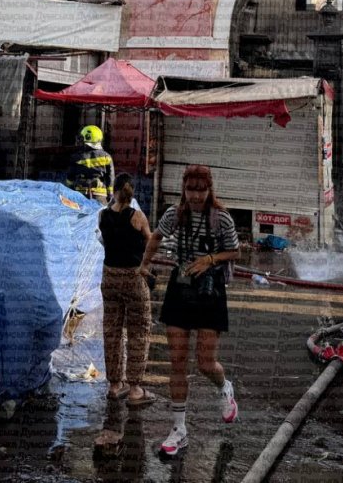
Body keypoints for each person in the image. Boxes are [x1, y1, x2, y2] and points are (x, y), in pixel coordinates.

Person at [138, 165, 240, 456]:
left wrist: (210, 259)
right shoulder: (175, 214)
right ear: (183, 189)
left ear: (209, 190)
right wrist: (144, 264)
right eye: (191, 190)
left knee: (206, 363)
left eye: (201, 190)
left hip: (210, 290)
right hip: (180, 288)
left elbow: (235, 251)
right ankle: (179, 429)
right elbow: (156, 236)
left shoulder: (220, 217)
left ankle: (225, 387)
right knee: (178, 362)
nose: (196, 196)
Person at [96, 173, 155, 451]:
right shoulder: (138, 218)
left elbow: (105, 242)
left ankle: (113, 385)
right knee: (139, 331)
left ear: (114, 190)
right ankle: (134, 389)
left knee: (112, 331)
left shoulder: (102, 216)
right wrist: (146, 266)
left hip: (109, 277)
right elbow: (151, 243)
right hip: (133, 278)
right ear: (132, 193)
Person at [66, 124, 114, 202]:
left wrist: (69, 191)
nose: (80, 141)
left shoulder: (76, 157)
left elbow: (70, 178)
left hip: (80, 195)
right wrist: (110, 194)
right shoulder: (107, 157)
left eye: (82, 138)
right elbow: (110, 177)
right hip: (100, 195)